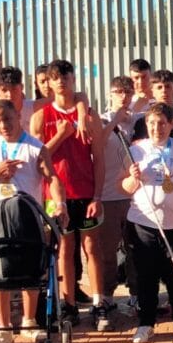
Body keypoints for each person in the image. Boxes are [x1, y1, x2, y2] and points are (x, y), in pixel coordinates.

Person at [0, 99, 67, 343]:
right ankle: (4, 329)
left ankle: (29, 322)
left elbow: (52, 178)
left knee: (30, 271)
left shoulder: (35, 147)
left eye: (7, 119)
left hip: (27, 219)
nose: (3, 126)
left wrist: (59, 204)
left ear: (17, 116)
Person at [30, 58, 107, 322]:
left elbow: (99, 157)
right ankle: (70, 304)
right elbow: (37, 158)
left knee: (92, 247)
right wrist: (61, 135)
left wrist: (98, 195)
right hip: (56, 196)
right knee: (64, 248)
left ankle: (99, 303)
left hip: (86, 193)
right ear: (48, 83)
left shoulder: (88, 114)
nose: (61, 81)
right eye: (55, 77)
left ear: (74, 79)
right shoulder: (41, 116)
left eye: (66, 76)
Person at [121, 103, 173, 343]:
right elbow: (126, 188)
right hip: (144, 222)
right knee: (146, 276)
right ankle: (146, 323)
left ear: (171, 124)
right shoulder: (136, 150)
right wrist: (134, 177)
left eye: (162, 123)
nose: (157, 128)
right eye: (152, 123)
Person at [95, 76, 140, 328]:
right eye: (118, 92)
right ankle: (106, 298)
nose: (123, 96)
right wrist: (114, 120)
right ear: (110, 94)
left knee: (135, 251)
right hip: (110, 196)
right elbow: (96, 145)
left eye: (127, 91)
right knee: (107, 252)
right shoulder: (101, 120)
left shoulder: (139, 121)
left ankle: (135, 296)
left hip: (135, 199)